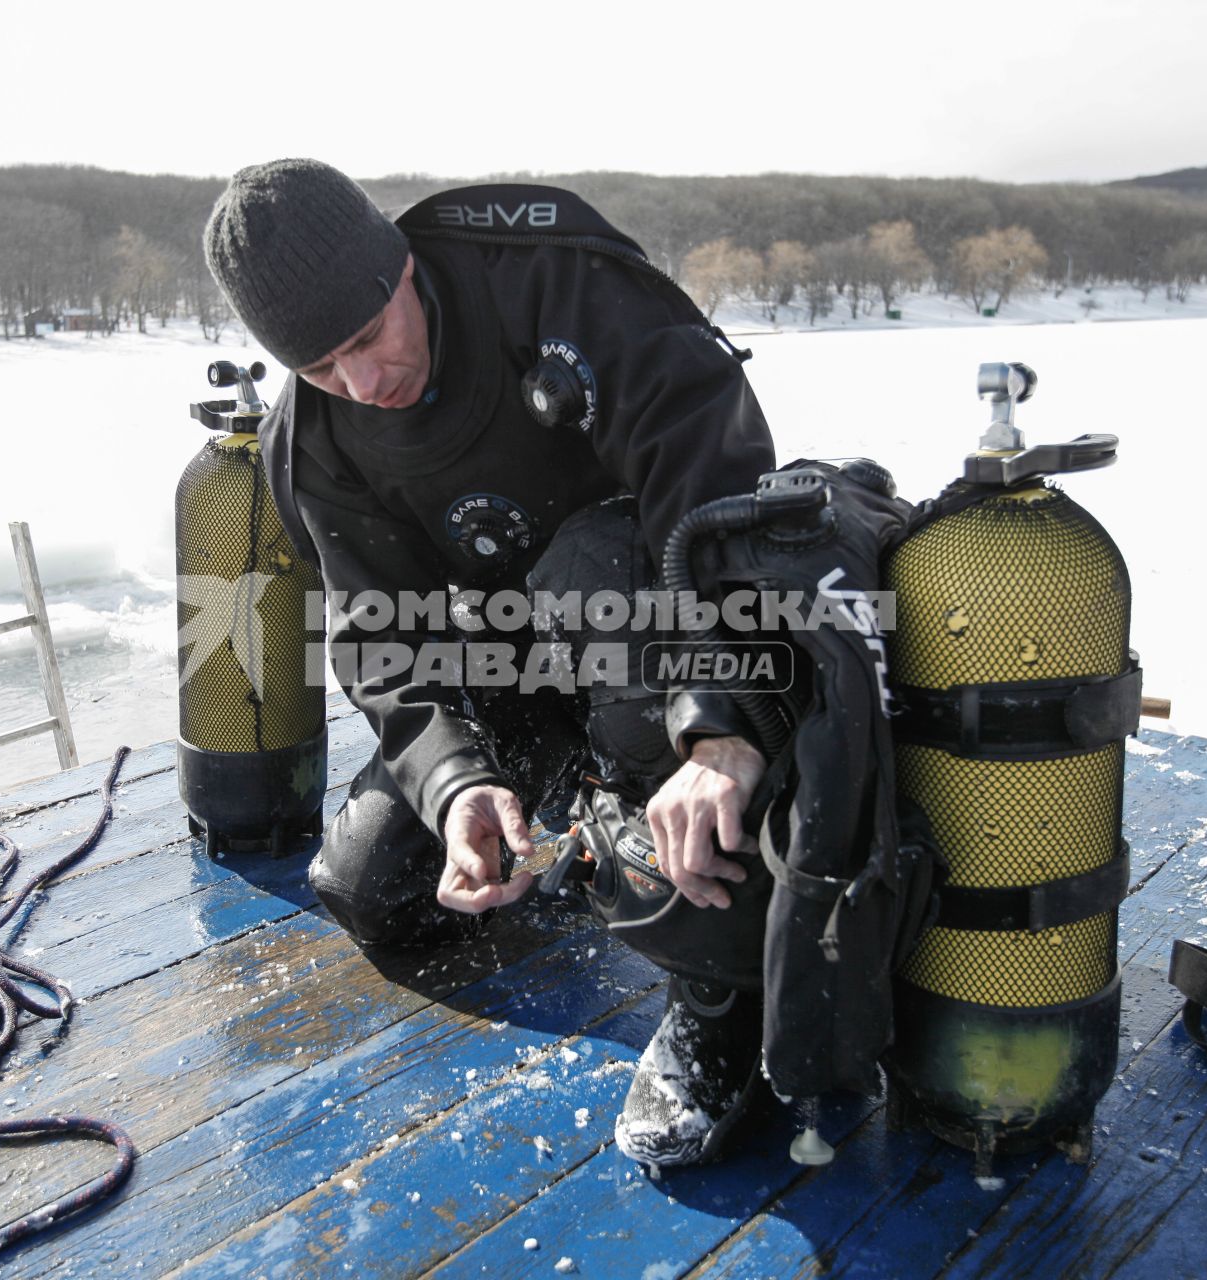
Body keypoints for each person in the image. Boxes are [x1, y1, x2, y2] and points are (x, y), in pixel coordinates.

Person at [203, 159, 778, 1167]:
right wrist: (457, 780)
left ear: (403, 266)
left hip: (672, 617)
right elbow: (382, 637)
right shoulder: (321, 438)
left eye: (370, 336)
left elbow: (718, 492)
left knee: (586, 566)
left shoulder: (559, 284)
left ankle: (720, 992)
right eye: (325, 367)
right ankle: (573, 793)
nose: (365, 384)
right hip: (522, 658)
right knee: (373, 884)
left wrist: (722, 718)